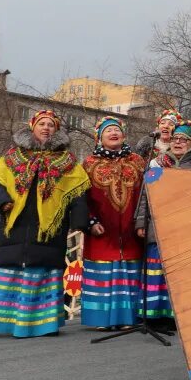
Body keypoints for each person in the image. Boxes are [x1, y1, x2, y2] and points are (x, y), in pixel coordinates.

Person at [0, 110, 90, 337]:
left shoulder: (68, 162)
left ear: (56, 130)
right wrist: (3, 203)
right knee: (13, 271)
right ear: (33, 127)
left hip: (50, 230)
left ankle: (45, 324)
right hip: (16, 224)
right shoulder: (12, 157)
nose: (46, 128)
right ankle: (9, 323)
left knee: (44, 272)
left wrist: (80, 222)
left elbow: (79, 193)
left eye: (51, 125)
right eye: (41, 123)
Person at [135, 119, 191, 327]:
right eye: (175, 139)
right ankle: (154, 316)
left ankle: (179, 317)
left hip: (186, 227)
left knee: (180, 273)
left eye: (184, 140)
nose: (178, 142)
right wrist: (140, 222)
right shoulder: (157, 163)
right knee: (156, 272)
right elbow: (144, 196)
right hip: (158, 227)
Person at [81, 117, 147, 331]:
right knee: (103, 272)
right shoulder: (89, 163)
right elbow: (81, 197)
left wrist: (141, 221)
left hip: (131, 228)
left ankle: (129, 318)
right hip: (102, 228)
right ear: (99, 137)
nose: (113, 133)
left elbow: (147, 193)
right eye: (108, 130)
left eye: (117, 130)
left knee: (129, 270)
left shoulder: (137, 161)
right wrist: (90, 221)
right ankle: (101, 320)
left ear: (124, 135)